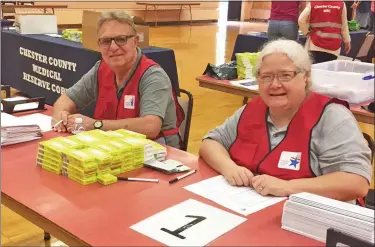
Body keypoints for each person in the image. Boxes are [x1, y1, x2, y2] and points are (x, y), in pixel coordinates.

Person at [199, 39, 371, 203]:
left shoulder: (332, 117)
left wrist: (288, 187)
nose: (274, 84)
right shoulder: (251, 110)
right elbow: (211, 143)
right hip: (251, 210)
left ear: (306, 76)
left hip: (311, 221)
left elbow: (356, 182)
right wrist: (229, 167)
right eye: (266, 77)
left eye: (285, 75)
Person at [51, 10, 183, 148]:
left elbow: (150, 126)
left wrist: (95, 125)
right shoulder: (100, 69)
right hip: (114, 146)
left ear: (135, 41)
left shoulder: (153, 76)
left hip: (156, 151)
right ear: (99, 45)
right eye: (106, 41)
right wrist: (61, 115)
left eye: (121, 39)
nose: (113, 47)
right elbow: (66, 99)